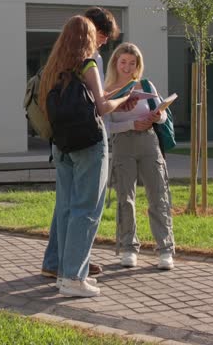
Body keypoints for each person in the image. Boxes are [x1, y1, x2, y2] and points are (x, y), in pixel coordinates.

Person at [38, 15, 132, 297]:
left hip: (62, 145)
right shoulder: (88, 64)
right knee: (87, 209)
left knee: (67, 209)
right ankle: (73, 278)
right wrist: (124, 99)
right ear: (87, 38)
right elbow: (101, 106)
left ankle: (64, 273)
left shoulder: (54, 67)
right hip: (89, 143)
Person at [103, 42, 175, 270]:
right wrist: (132, 123)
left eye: (132, 63)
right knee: (125, 198)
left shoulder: (145, 85)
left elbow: (163, 116)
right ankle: (129, 248)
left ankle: (165, 250)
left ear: (137, 65)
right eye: (123, 62)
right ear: (115, 63)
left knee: (158, 196)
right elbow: (106, 127)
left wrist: (156, 117)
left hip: (149, 142)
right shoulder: (107, 90)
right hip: (123, 144)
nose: (127, 67)